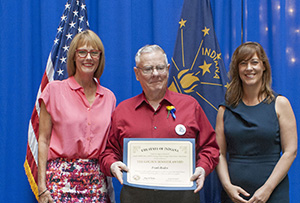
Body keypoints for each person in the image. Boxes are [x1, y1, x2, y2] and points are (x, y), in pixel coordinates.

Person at [100, 44, 219, 203]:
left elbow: (210, 147)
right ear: (137, 73)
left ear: (168, 69)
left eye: (160, 67)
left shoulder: (190, 106)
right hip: (136, 196)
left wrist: (202, 168)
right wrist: (113, 165)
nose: (155, 74)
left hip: (183, 196)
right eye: (148, 69)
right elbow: (108, 152)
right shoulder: (123, 111)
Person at [38, 30, 116, 203]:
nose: (88, 57)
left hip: (96, 182)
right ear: (73, 56)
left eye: (94, 52)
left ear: (100, 58)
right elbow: (43, 140)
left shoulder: (109, 97)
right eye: (82, 52)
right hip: (60, 181)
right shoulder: (53, 91)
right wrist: (41, 187)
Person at [215, 42, 297, 203]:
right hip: (234, 195)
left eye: (254, 62)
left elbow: (290, 152)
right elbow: (219, 153)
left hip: (273, 194)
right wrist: (227, 186)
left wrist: (267, 189)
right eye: (243, 63)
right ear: (237, 69)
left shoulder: (280, 104)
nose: (249, 68)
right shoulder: (224, 110)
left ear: (264, 67)